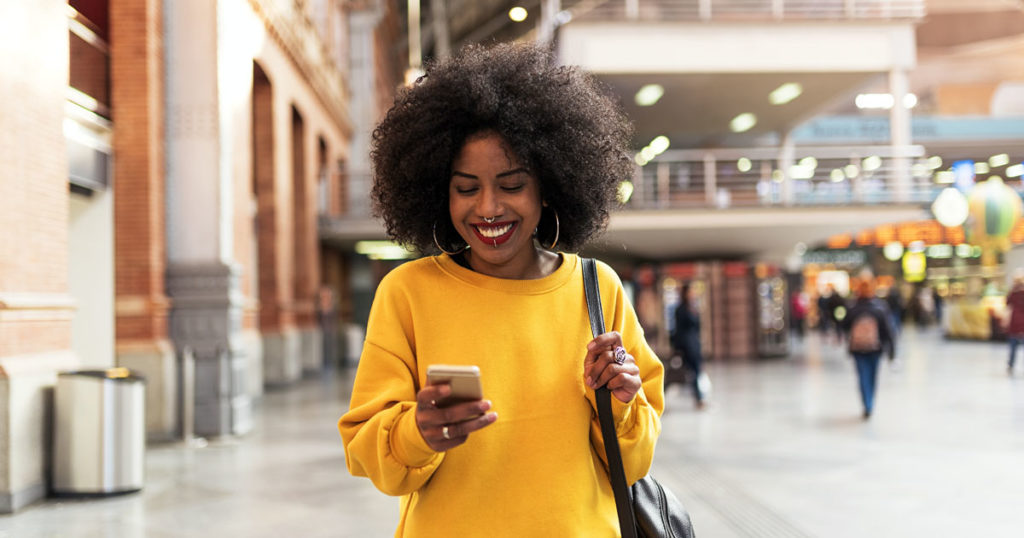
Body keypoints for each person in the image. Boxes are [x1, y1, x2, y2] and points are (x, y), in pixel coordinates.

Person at [338, 43, 664, 537]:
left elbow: (634, 462)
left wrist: (620, 401)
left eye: (511, 184)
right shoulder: (408, 292)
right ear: (438, 192)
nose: (488, 208)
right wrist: (418, 433)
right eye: (466, 188)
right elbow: (367, 452)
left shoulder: (598, 288)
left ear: (548, 186)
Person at [841, 281, 895, 419]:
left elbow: (845, 325)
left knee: (862, 376)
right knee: (872, 376)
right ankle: (870, 403)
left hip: (858, 348)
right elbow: (888, 330)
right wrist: (891, 349)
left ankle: (867, 404)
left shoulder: (853, 307)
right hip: (875, 348)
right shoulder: (880, 307)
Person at [672, 282, 706, 408]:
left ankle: (700, 398)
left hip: (694, 344)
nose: (693, 294)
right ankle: (699, 399)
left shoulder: (692, 308)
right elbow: (678, 329)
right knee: (693, 372)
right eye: (691, 291)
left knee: (695, 371)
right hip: (687, 345)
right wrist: (677, 348)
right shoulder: (681, 309)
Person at [1005, 271, 1024, 375]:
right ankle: (1011, 365)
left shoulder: (1013, 292)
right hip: (1019, 323)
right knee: (1013, 346)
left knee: (1013, 347)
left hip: (1015, 323)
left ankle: (1011, 365)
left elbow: (1007, 302)